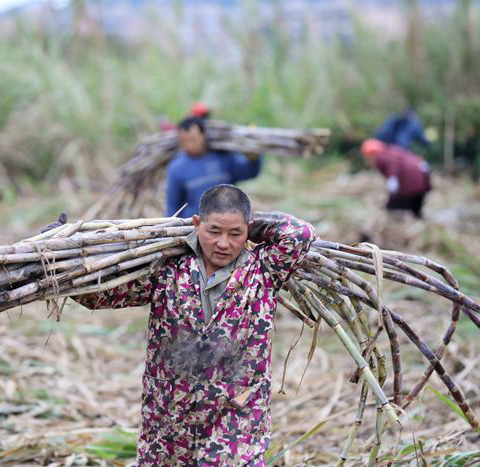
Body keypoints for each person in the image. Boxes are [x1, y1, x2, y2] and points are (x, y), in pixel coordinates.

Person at [69, 184, 315, 465]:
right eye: (214, 231)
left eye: (235, 234)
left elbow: (301, 233)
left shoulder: (263, 270)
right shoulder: (168, 268)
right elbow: (101, 296)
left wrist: (250, 223)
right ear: (196, 224)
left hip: (234, 419)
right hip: (170, 419)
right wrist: (59, 267)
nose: (223, 243)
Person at [166, 116, 262, 217]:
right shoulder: (177, 169)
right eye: (184, 142)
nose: (189, 146)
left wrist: (254, 158)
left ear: (203, 135)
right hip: (196, 226)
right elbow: (173, 205)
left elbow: (249, 172)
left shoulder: (224, 157)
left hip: (229, 219)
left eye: (193, 140)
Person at [361, 138, 431, 218]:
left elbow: (393, 167)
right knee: (415, 209)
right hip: (422, 180)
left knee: (393, 208)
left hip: (411, 184)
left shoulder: (380, 158)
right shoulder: (392, 151)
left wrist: (392, 179)